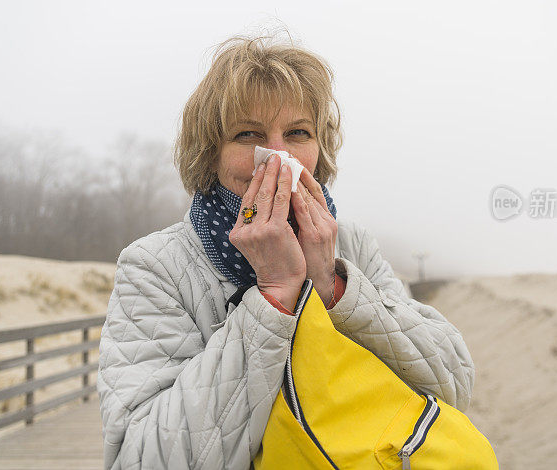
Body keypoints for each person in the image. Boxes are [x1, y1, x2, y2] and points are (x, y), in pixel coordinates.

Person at [97, 33, 475, 470]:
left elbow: (453, 383)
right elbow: (141, 460)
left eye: (297, 133)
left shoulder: (353, 246)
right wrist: (274, 295)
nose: (277, 156)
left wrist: (332, 287)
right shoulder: (156, 266)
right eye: (248, 135)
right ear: (210, 156)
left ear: (319, 151)